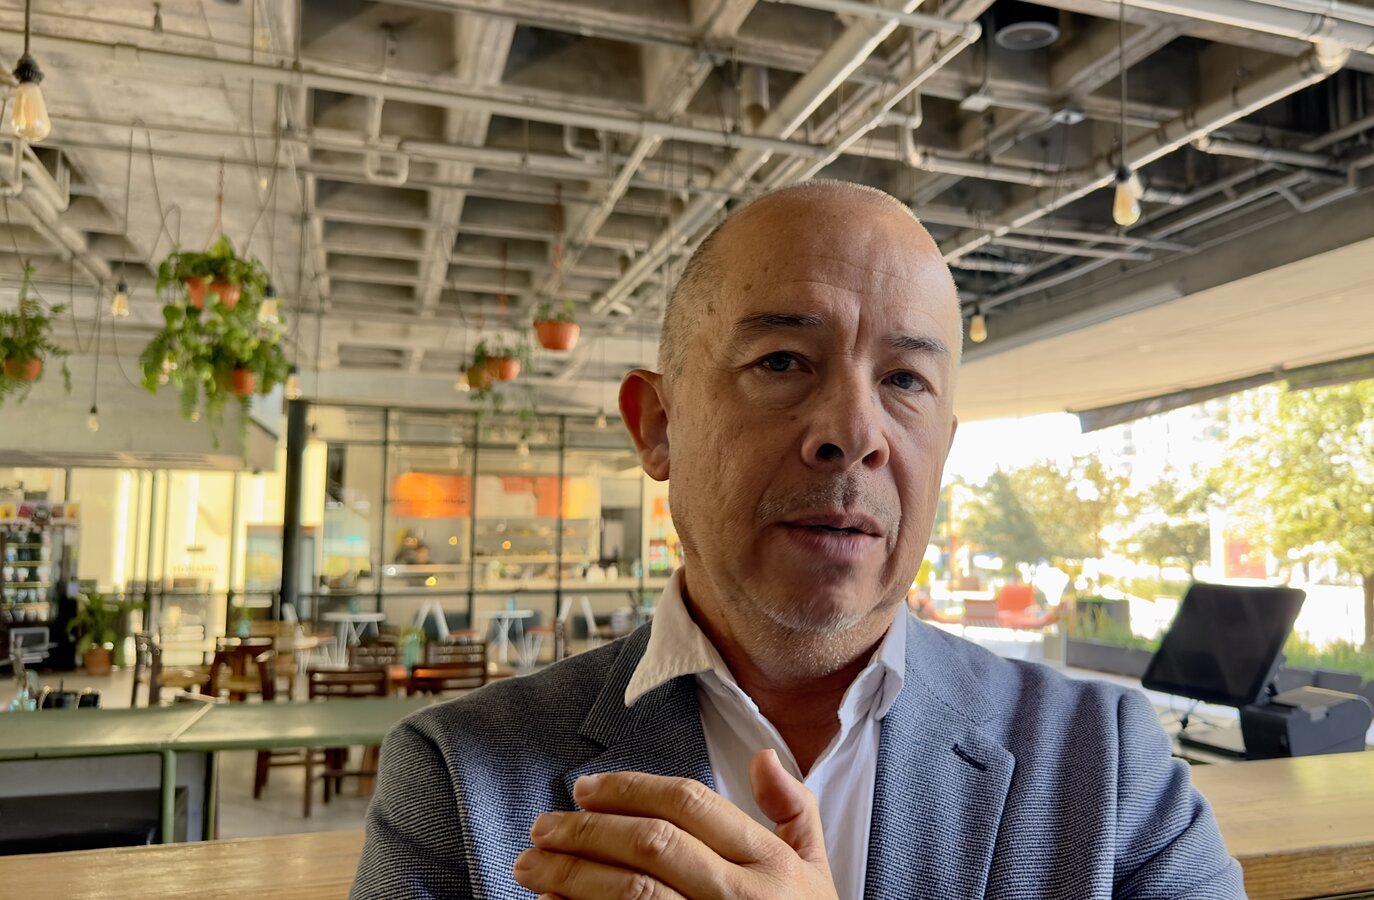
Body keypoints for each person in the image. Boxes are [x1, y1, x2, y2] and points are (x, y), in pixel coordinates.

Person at [351, 181, 1245, 899]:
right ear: (658, 426)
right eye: (781, 361)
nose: (853, 433)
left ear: (942, 448)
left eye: (905, 379)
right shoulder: (458, 780)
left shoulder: (1106, 764)